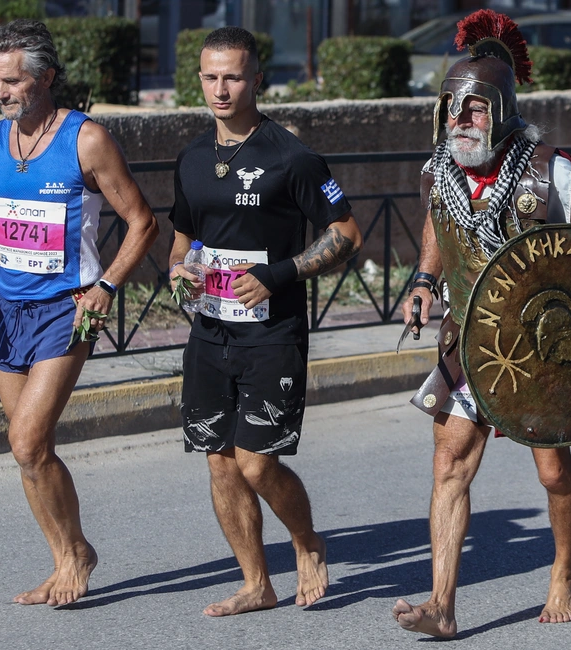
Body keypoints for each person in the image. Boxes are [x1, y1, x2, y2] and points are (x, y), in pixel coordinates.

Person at [391, 10, 571, 639]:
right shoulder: (440, 171)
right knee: (449, 462)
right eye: (452, 107)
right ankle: (443, 606)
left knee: (552, 472)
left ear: (501, 110)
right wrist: (423, 280)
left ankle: (563, 569)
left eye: (474, 109)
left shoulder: (546, 171)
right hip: (471, 340)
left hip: (541, 349)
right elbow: (437, 226)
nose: (460, 120)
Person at [167, 27, 361, 617]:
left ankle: (307, 542)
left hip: (271, 332)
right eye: (210, 77)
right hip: (210, 331)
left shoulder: (291, 156)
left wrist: (278, 275)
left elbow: (346, 234)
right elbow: (183, 238)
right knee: (220, 461)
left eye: (232, 77)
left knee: (256, 461)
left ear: (256, 79)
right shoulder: (194, 157)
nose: (220, 89)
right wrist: (180, 270)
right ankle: (257, 582)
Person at [0, 20, 159, 606]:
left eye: (12, 82)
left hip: (66, 309)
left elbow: (143, 222)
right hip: (5, 307)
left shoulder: (85, 140)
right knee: (29, 449)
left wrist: (107, 286)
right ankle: (71, 552)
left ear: (47, 78)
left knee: (28, 441)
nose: (2, 92)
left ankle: (73, 560)